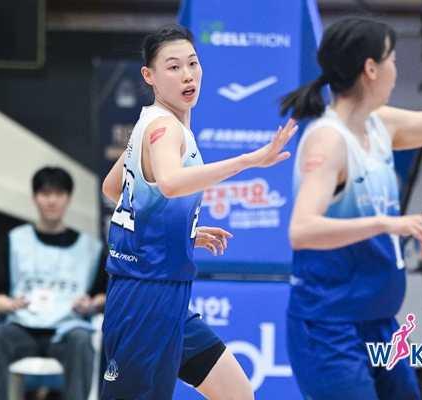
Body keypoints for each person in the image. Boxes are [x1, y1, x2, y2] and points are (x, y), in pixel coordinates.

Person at [280, 17, 422, 400]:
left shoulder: (379, 125)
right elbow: (302, 230)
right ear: (371, 68)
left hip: (380, 324)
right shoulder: (328, 140)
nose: (396, 69)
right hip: (329, 327)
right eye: (392, 59)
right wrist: (387, 223)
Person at [100, 25, 297, 400]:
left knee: (237, 393)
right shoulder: (164, 127)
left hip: (168, 294)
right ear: (149, 75)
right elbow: (170, 182)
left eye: (192, 63)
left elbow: (114, 187)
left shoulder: (151, 123)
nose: (187, 75)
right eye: (173, 67)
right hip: (144, 297)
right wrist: (249, 160)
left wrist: (179, 231)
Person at [0, 166, 108, 400]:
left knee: (82, 340)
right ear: (35, 197)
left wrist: (90, 306)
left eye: (59, 194)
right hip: (21, 328)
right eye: (45, 193)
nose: (52, 201)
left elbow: (104, 294)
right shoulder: (13, 241)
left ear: (68, 198)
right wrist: (9, 304)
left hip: (67, 329)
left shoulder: (91, 248)